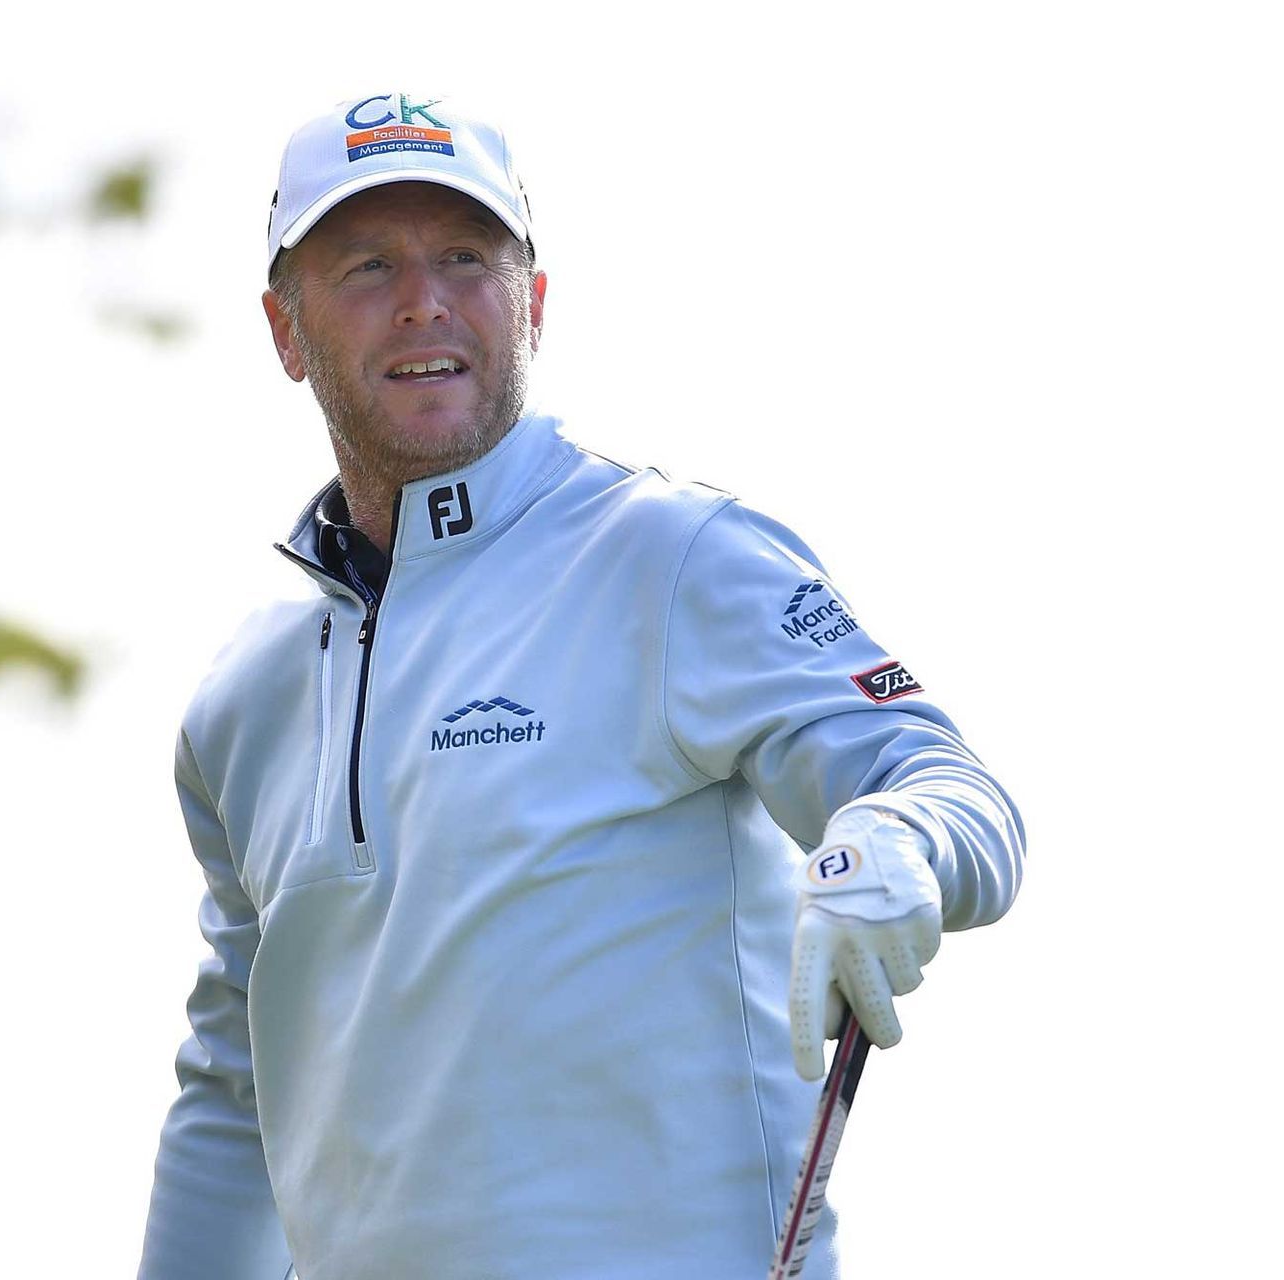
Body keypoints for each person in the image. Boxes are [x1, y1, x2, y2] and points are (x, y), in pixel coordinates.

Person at [136, 92, 1026, 1280]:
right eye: (367, 265)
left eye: (467, 256)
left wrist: (896, 838)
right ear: (285, 331)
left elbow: (942, 777)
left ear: (534, 303)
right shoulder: (243, 701)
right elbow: (234, 1089)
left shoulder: (671, 555)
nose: (425, 299)